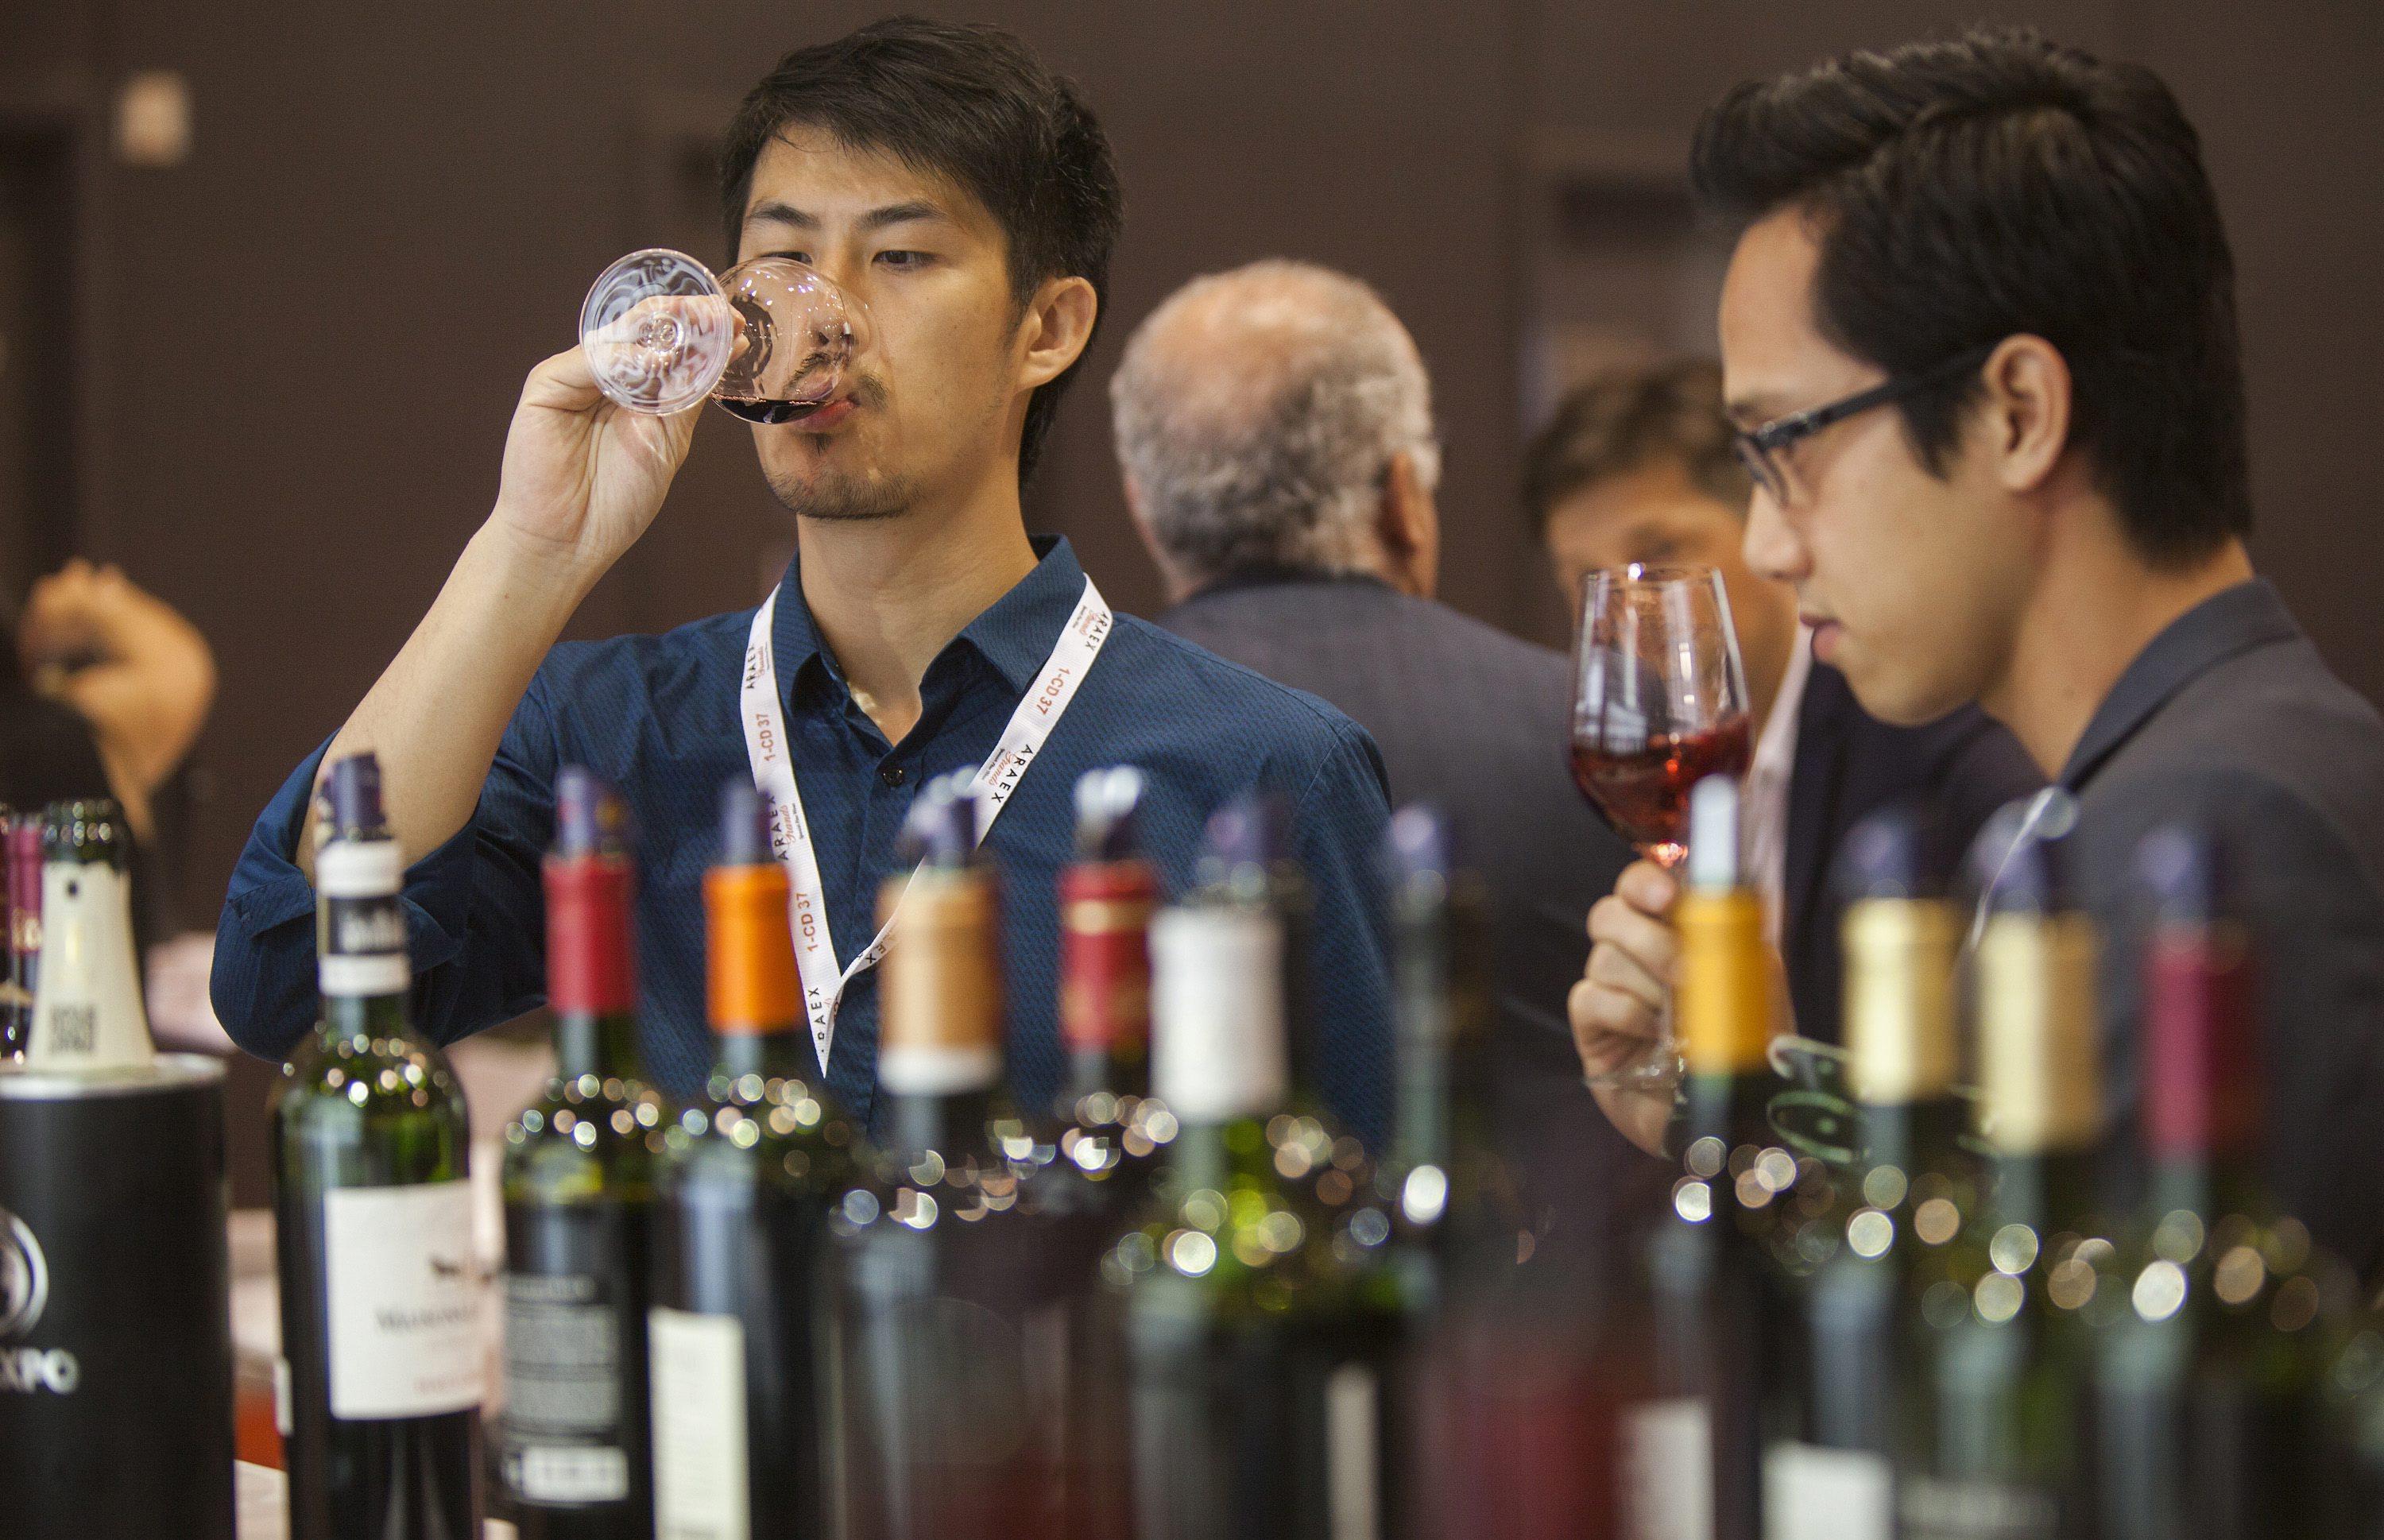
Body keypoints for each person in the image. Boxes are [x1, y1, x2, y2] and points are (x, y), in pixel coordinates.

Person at [210, 21, 1395, 1143]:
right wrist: (529, 550)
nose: (820, 315)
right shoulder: (611, 735)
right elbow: (287, 987)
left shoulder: (1257, 766)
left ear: (1048, 326)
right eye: (780, 256)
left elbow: (1373, 1220)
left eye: (900, 256)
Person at [1570, 26, 2384, 1278]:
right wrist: (1754, 1101)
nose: (1767, 542)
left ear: (2018, 412)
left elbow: (2098, 1423)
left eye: (1785, 444)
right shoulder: (2195, 771)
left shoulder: (2213, 837)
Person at [1113, 258, 1662, 1258]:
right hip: (1542, 1360)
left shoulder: (1071, 764)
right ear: (1404, 497)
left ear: (1144, 510)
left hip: (1196, 1332)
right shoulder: (1610, 742)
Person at [1525, 362, 2037, 1047]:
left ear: (1762, 522)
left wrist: (1766, 1074)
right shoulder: (1620, 791)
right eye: (1594, 584)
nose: (1629, 620)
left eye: (1661, 556)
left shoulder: (1930, 744)